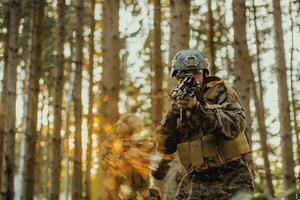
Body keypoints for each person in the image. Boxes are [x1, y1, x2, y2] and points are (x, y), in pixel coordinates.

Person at [151, 49, 254, 199]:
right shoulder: (179, 103)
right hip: (197, 178)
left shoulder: (220, 90)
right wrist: (171, 116)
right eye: (185, 75)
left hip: (231, 175)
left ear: (204, 74)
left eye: (196, 73)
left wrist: (198, 109)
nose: (192, 78)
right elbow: (164, 146)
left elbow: (235, 125)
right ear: (177, 78)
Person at [101, 113, 161, 200]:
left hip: (142, 192)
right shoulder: (111, 143)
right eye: (128, 133)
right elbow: (105, 164)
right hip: (118, 193)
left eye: (133, 133)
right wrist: (124, 157)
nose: (130, 137)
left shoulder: (143, 143)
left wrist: (145, 157)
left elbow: (157, 168)